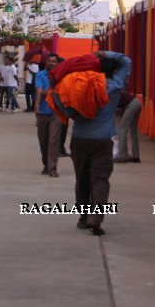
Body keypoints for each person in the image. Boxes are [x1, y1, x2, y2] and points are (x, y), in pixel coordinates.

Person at [65, 50, 131, 236]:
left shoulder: (80, 86)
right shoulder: (115, 85)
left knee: (82, 179)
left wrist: (70, 114)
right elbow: (126, 61)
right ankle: (96, 218)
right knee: (100, 180)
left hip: (80, 137)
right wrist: (105, 53)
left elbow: (62, 102)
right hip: (103, 139)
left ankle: (83, 218)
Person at [33, 53, 60, 177]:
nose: (51, 63)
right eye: (49, 61)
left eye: (54, 61)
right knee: (43, 141)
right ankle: (45, 163)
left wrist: (48, 93)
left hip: (57, 113)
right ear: (46, 62)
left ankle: (52, 168)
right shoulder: (40, 75)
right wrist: (38, 103)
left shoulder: (61, 76)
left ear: (57, 63)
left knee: (53, 140)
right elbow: (39, 90)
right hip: (43, 112)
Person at [113, 92, 143, 163]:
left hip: (131, 105)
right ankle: (136, 156)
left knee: (122, 129)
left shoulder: (110, 94)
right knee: (133, 131)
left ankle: (122, 156)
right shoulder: (114, 90)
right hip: (137, 103)